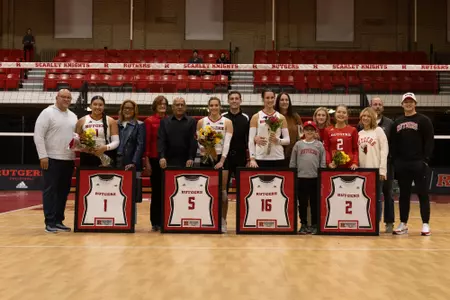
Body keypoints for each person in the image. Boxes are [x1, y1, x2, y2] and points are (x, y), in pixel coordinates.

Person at [33, 89, 77, 233]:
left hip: (68, 159)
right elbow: (38, 136)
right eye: (63, 97)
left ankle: (58, 220)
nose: (66, 99)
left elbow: (74, 137)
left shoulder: (73, 116)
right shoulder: (47, 113)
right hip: (51, 158)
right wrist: (43, 156)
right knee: (50, 191)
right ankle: (49, 222)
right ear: (56, 97)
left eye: (68, 97)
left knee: (63, 192)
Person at [390, 92, 434, 236]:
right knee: (403, 195)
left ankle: (425, 224)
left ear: (415, 103)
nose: (408, 104)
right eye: (406, 102)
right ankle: (403, 223)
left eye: (411, 101)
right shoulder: (397, 122)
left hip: (418, 163)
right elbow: (394, 144)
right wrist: (396, 161)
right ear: (402, 104)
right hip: (402, 164)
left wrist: (425, 160)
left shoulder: (424, 120)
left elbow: (429, 141)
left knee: (423, 194)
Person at [197, 97, 233, 232]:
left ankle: (223, 221)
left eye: (216, 105)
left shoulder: (227, 122)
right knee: (207, 191)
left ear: (220, 107)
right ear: (208, 107)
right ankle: (207, 218)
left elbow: (227, 143)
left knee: (223, 193)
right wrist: (205, 150)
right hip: (207, 158)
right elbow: (199, 142)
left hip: (221, 158)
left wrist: (222, 160)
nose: (214, 108)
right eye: (211, 105)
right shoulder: (201, 122)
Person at [289, 121, 325, 235]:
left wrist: (321, 174)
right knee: (302, 203)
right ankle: (303, 224)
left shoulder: (319, 145)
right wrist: (293, 174)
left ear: (315, 131)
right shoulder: (298, 144)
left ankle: (315, 224)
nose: (309, 132)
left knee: (315, 203)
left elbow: (322, 162)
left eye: (312, 130)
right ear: (303, 131)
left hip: (314, 178)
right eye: (307, 129)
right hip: (301, 178)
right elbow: (293, 161)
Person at [358, 107, 389, 225]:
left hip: (375, 170)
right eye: (363, 116)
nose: (365, 118)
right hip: (362, 170)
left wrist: (382, 170)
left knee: (376, 198)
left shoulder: (379, 131)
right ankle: (365, 222)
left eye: (368, 116)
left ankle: (375, 223)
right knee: (363, 197)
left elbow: (384, 150)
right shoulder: (360, 133)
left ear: (373, 117)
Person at [370, 97, 395, 232]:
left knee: (388, 193)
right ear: (370, 106)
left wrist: (389, 160)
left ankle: (389, 222)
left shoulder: (390, 123)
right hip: (370, 164)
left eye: (380, 104)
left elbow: (394, 143)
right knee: (371, 193)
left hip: (386, 164)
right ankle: (372, 222)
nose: (377, 107)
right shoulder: (363, 123)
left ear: (383, 107)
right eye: (375, 104)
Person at [144, 96, 168, 232]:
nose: (162, 106)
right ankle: (155, 221)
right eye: (160, 104)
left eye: (164, 104)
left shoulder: (169, 120)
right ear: (155, 105)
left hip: (167, 160)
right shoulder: (149, 121)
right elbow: (147, 141)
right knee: (157, 191)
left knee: (167, 191)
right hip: (154, 158)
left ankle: (166, 219)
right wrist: (147, 161)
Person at [248, 89, 290, 168]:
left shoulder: (281, 117)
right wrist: (252, 158)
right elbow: (250, 139)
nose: (270, 100)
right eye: (267, 98)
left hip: (278, 157)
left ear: (274, 99)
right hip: (260, 157)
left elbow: (287, 140)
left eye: (272, 97)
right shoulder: (256, 116)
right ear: (263, 99)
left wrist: (277, 140)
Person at [116, 100, 145, 208]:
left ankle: (132, 221)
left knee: (132, 194)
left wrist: (134, 162)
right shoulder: (115, 123)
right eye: (125, 108)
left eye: (130, 108)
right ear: (122, 110)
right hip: (117, 162)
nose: (127, 110)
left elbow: (140, 145)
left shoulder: (140, 125)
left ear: (134, 111)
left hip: (131, 163)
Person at [75, 96, 119, 167]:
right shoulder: (82, 120)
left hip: (105, 155)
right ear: (90, 106)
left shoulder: (111, 121)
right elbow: (76, 141)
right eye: (95, 104)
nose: (97, 107)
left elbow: (116, 142)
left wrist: (105, 148)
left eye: (100, 105)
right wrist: (85, 148)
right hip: (87, 156)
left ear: (104, 106)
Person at [222, 91, 250, 191]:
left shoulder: (246, 118)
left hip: (241, 158)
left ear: (240, 101)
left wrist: (249, 159)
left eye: (236, 98)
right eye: (232, 99)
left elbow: (249, 139)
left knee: (243, 190)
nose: (234, 101)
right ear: (228, 101)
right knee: (223, 189)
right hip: (226, 158)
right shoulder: (223, 117)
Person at [158, 97, 197, 168]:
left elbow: (193, 141)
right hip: (167, 161)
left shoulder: (192, 121)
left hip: (187, 162)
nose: (180, 107)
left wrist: (191, 158)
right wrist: (162, 157)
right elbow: (161, 140)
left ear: (185, 107)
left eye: (182, 105)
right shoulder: (164, 122)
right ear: (172, 107)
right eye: (177, 105)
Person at [323, 104, 358, 170]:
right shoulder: (327, 130)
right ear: (335, 114)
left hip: (349, 166)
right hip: (333, 166)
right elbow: (326, 149)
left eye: (344, 113)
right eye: (339, 112)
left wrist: (355, 163)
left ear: (347, 116)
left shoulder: (353, 130)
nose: (341, 114)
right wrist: (329, 163)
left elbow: (355, 149)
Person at [275, 92, 303, 167]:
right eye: (282, 100)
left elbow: (301, 135)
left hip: (292, 154)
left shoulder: (295, 117)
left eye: (287, 100)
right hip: (276, 153)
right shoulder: (274, 116)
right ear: (278, 102)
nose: (285, 102)